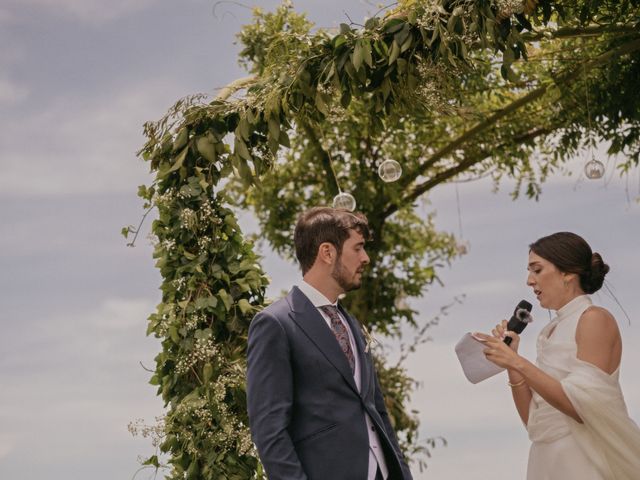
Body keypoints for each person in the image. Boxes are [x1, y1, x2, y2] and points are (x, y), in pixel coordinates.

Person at [246, 207, 413, 480]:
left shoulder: (353, 326)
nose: (365, 258)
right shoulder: (276, 324)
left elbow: (377, 412)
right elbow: (269, 432)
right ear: (327, 252)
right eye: (357, 248)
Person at [476, 232, 640, 479]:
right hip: (545, 461)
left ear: (567, 273)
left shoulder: (594, 319)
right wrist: (512, 361)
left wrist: (517, 362)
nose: (529, 281)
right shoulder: (549, 332)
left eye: (537, 270)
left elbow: (582, 408)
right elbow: (534, 422)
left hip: (583, 461)